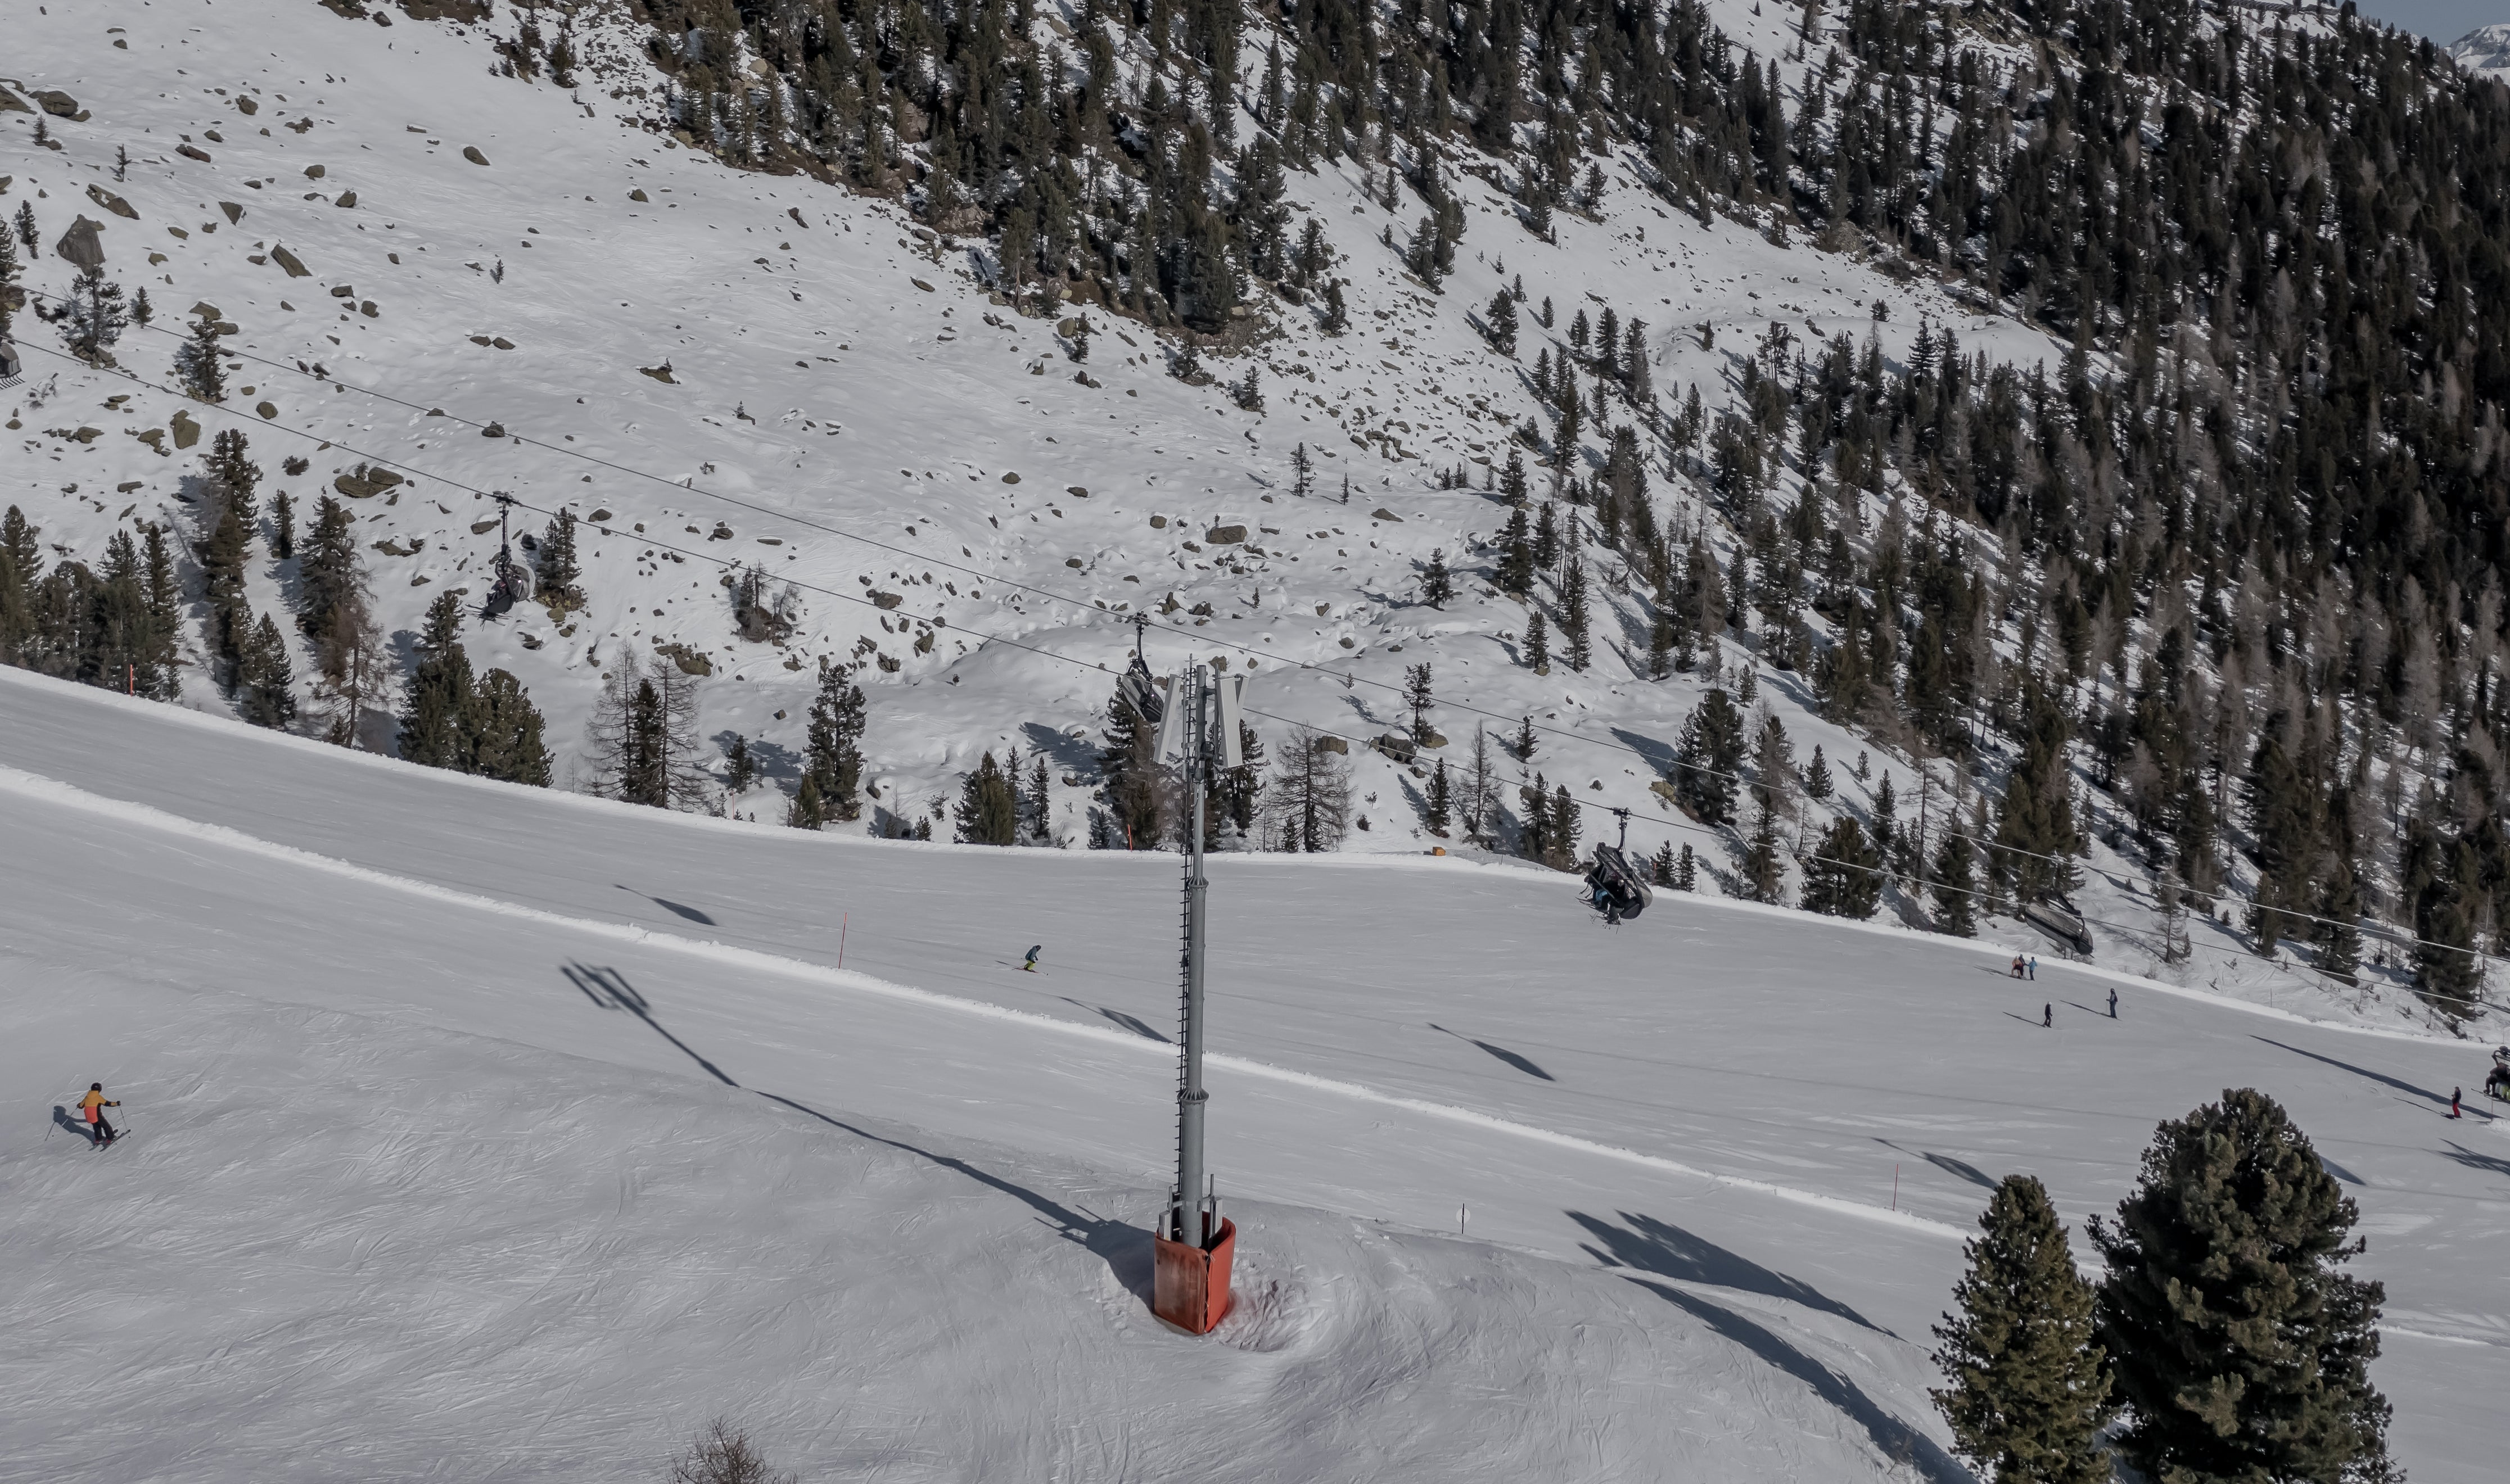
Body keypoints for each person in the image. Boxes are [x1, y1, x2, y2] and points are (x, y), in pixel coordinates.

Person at [79, 1083, 120, 1148]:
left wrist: (78, 1105)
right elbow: (107, 1103)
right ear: (99, 1089)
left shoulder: (87, 1097)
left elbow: (81, 1106)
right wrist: (116, 1104)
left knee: (97, 1127)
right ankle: (111, 1138)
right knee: (106, 1126)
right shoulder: (98, 1097)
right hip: (97, 1115)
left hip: (89, 1116)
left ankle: (99, 1139)